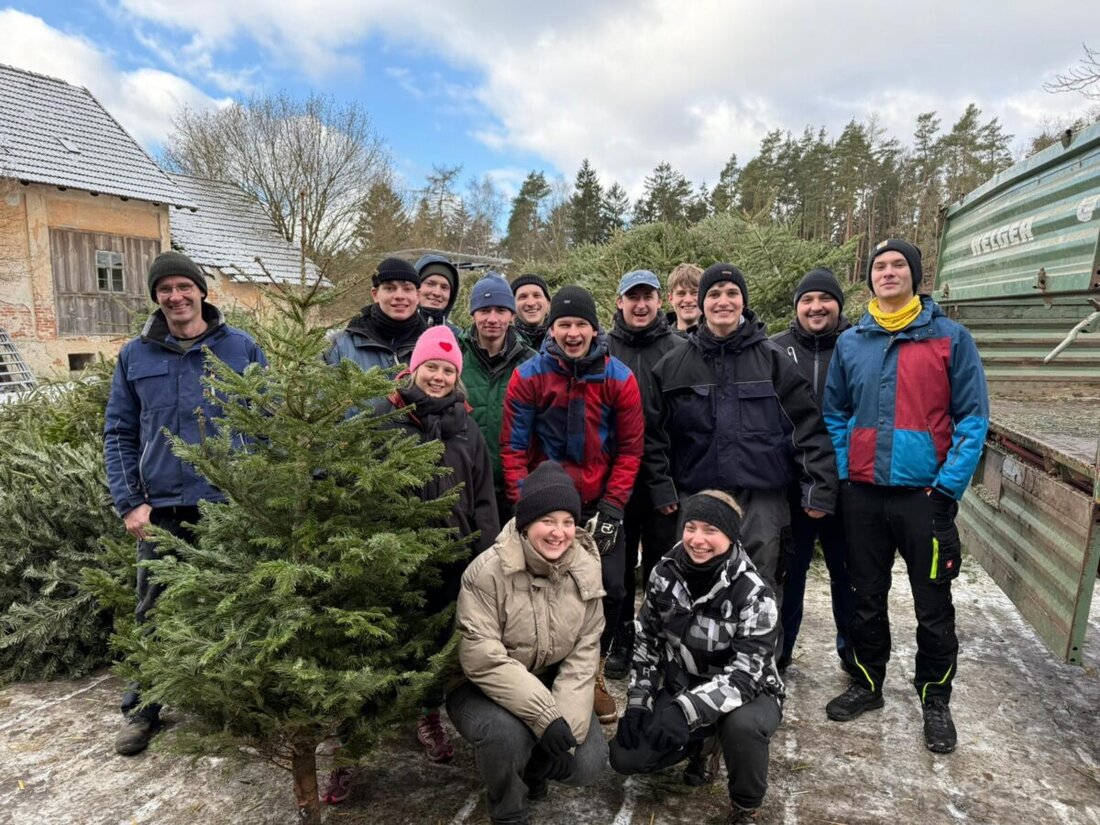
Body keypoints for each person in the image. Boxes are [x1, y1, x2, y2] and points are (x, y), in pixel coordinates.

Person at [823, 239, 989, 755]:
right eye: (880, 266)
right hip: (864, 495)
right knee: (865, 597)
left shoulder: (950, 339)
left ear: (915, 276)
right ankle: (867, 682)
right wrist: (847, 473)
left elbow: (973, 419)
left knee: (933, 603)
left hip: (925, 497)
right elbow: (834, 413)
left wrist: (947, 488)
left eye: (899, 265)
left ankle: (935, 698)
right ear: (870, 278)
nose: (889, 272)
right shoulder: (852, 342)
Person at [323, 326, 500, 803]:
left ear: (457, 377)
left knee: (432, 649)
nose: (438, 377)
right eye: (431, 368)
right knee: (371, 654)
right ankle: (349, 748)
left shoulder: (466, 427)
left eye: (447, 370)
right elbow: (356, 489)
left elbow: (484, 499)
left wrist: (482, 556)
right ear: (413, 369)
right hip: (390, 564)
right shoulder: (383, 419)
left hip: (450, 560)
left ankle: (428, 715)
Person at [104, 251, 266, 756]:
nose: (175, 297)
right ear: (156, 297)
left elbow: (268, 423)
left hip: (227, 505)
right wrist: (130, 503)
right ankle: (143, 708)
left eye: (183, 287)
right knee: (153, 610)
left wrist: (261, 496)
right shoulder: (135, 356)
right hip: (161, 511)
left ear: (201, 291)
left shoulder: (241, 348)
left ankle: (240, 703)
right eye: (165, 289)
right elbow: (119, 433)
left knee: (237, 606)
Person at [650, 263, 837, 623]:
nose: (723, 301)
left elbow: (806, 427)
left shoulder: (773, 361)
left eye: (732, 293)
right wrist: (661, 487)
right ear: (702, 304)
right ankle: (695, 654)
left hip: (762, 499)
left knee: (761, 585)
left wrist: (818, 487)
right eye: (714, 294)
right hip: (697, 495)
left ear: (743, 301)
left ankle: (758, 655)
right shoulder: (673, 366)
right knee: (694, 584)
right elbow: (654, 436)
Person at [501, 285, 644, 724]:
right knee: (539, 587)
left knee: (612, 588)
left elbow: (630, 449)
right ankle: (540, 670)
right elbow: (513, 447)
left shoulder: (619, 378)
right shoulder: (529, 376)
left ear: (595, 329)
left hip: (599, 500)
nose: (573, 333)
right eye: (564, 324)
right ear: (552, 329)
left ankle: (591, 672)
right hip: (545, 502)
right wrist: (524, 506)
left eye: (581, 324)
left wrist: (614, 507)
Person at [448, 460, 608, 825]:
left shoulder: (585, 571)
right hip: (479, 686)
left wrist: (565, 728)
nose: (558, 532)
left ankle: (535, 771)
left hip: (548, 677)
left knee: (586, 761)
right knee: (506, 736)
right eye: (547, 521)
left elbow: (583, 657)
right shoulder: (487, 573)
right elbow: (482, 657)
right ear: (525, 523)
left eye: (567, 521)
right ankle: (508, 808)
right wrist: (546, 718)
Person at [610, 491, 783, 825]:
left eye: (710, 530)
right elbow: (647, 642)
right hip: (684, 683)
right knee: (625, 756)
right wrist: (638, 704)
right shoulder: (664, 573)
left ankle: (745, 806)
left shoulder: (755, 592)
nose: (697, 539)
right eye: (691, 527)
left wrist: (683, 712)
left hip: (749, 693)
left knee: (743, 728)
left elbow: (746, 676)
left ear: (730, 535)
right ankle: (701, 746)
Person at [770, 268, 855, 672]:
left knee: (848, 574)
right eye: (807, 300)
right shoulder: (775, 349)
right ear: (797, 307)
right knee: (790, 572)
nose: (816, 307)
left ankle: (853, 655)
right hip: (792, 483)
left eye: (825, 299)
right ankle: (781, 651)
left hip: (848, 482)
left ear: (839, 304)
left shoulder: (857, 345)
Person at [604, 269, 686, 680]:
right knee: (616, 568)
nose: (640, 305)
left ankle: (653, 638)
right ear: (619, 302)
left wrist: (671, 481)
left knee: (661, 565)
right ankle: (621, 637)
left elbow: (684, 422)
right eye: (632, 297)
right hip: (614, 479)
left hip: (663, 480)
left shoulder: (679, 349)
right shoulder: (602, 348)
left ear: (660, 301)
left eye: (647, 297)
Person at [459, 274, 536, 521]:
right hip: (463, 486)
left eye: (501, 310)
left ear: (512, 315)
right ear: (473, 314)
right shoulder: (455, 358)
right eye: (484, 310)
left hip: (514, 489)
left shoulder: (532, 362)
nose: (492, 319)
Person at [324, 257, 427, 371]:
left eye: (407, 289)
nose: (399, 296)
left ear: (418, 296)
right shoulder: (338, 347)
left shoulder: (433, 345)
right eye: (390, 288)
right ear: (375, 294)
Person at [415, 254, 461, 333]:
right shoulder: (397, 331)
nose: (437, 293)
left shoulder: (457, 336)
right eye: (430, 284)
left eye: (444, 287)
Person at [510, 273, 552, 352]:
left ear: (548, 303)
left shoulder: (562, 339)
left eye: (537, 295)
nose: (531, 303)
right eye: (523, 297)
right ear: (512, 305)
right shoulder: (504, 343)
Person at [666, 263, 703, 337]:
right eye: (681, 293)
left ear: (704, 296)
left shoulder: (719, 339)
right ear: (670, 298)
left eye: (694, 293)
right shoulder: (660, 340)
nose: (688, 300)